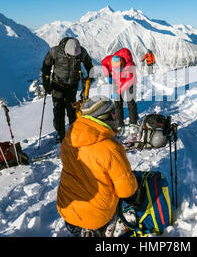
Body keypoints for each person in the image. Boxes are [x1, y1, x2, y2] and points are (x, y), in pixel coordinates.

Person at [56, 96, 138, 237]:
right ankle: (99, 229)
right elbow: (126, 191)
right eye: (114, 113)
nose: (116, 116)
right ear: (105, 117)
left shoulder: (69, 139)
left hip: (66, 211)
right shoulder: (110, 148)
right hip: (96, 218)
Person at [42, 37, 94, 143]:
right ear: (66, 51)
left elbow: (89, 65)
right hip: (57, 85)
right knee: (58, 109)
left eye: (75, 57)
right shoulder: (54, 52)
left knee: (72, 109)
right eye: (71, 56)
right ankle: (60, 132)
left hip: (72, 85)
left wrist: (90, 76)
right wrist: (45, 82)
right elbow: (46, 67)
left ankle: (74, 130)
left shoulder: (81, 52)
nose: (73, 58)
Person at [101, 48, 139, 142]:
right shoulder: (110, 60)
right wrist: (108, 75)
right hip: (116, 81)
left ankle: (133, 124)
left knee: (131, 101)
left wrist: (118, 92)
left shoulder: (129, 67)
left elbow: (128, 82)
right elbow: (103, 63)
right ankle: (119, 124)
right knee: (117, 103)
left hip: (130, 81)